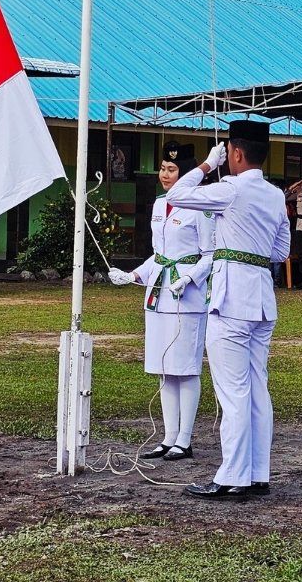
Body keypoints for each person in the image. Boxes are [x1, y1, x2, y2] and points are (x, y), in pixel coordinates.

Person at [166, 121, 290, 499]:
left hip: (232, 298)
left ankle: (234, 475)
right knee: (256, 389)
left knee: (233, 391)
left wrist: (205, 165)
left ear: (235, 153)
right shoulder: (274, 194)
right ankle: (257, 473)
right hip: (262, 298)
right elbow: (280, 251)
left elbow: (178, 193)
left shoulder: (230, 189)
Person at [109, 141, 214, 462]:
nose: (165, 174)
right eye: (163, 168)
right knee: (165, 370)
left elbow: (211, 255)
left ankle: (185, 439)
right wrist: (133, 275)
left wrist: (191, 277)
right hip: (159, 294)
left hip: (187, 297)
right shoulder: (159, 205)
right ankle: (168, 437)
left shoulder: (201, 206)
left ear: (186, 174)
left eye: (172, 170)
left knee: (186, 368)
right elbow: (159, 255)